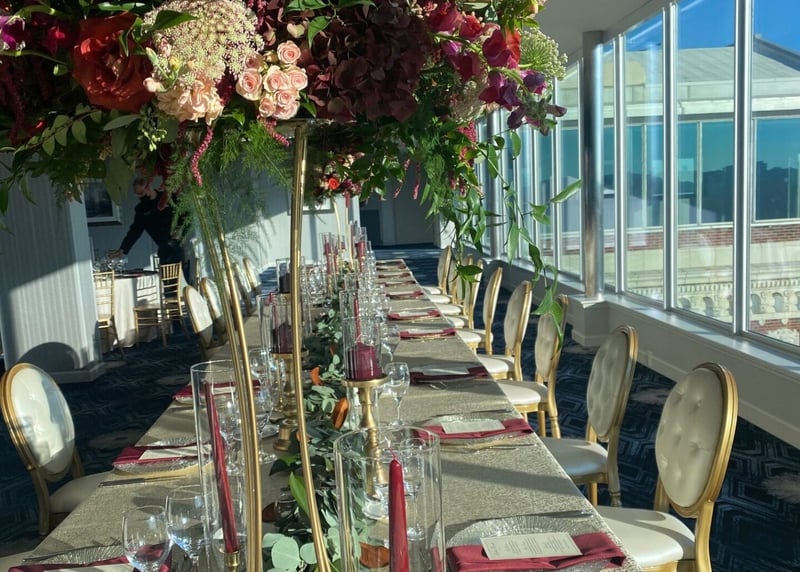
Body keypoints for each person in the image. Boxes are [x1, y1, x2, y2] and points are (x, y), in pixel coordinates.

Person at [109, 178, 187, 277]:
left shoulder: (167, 198)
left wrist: (180, 231)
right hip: (164, 248)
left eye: (141, 193)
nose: (140, 196)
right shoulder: (142, 209)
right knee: (168, 278)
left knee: (184, 275)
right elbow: (135, 230)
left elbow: (184, 215)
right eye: (137, 194)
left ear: (148, 187)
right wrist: (123, 249)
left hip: (179, 244)